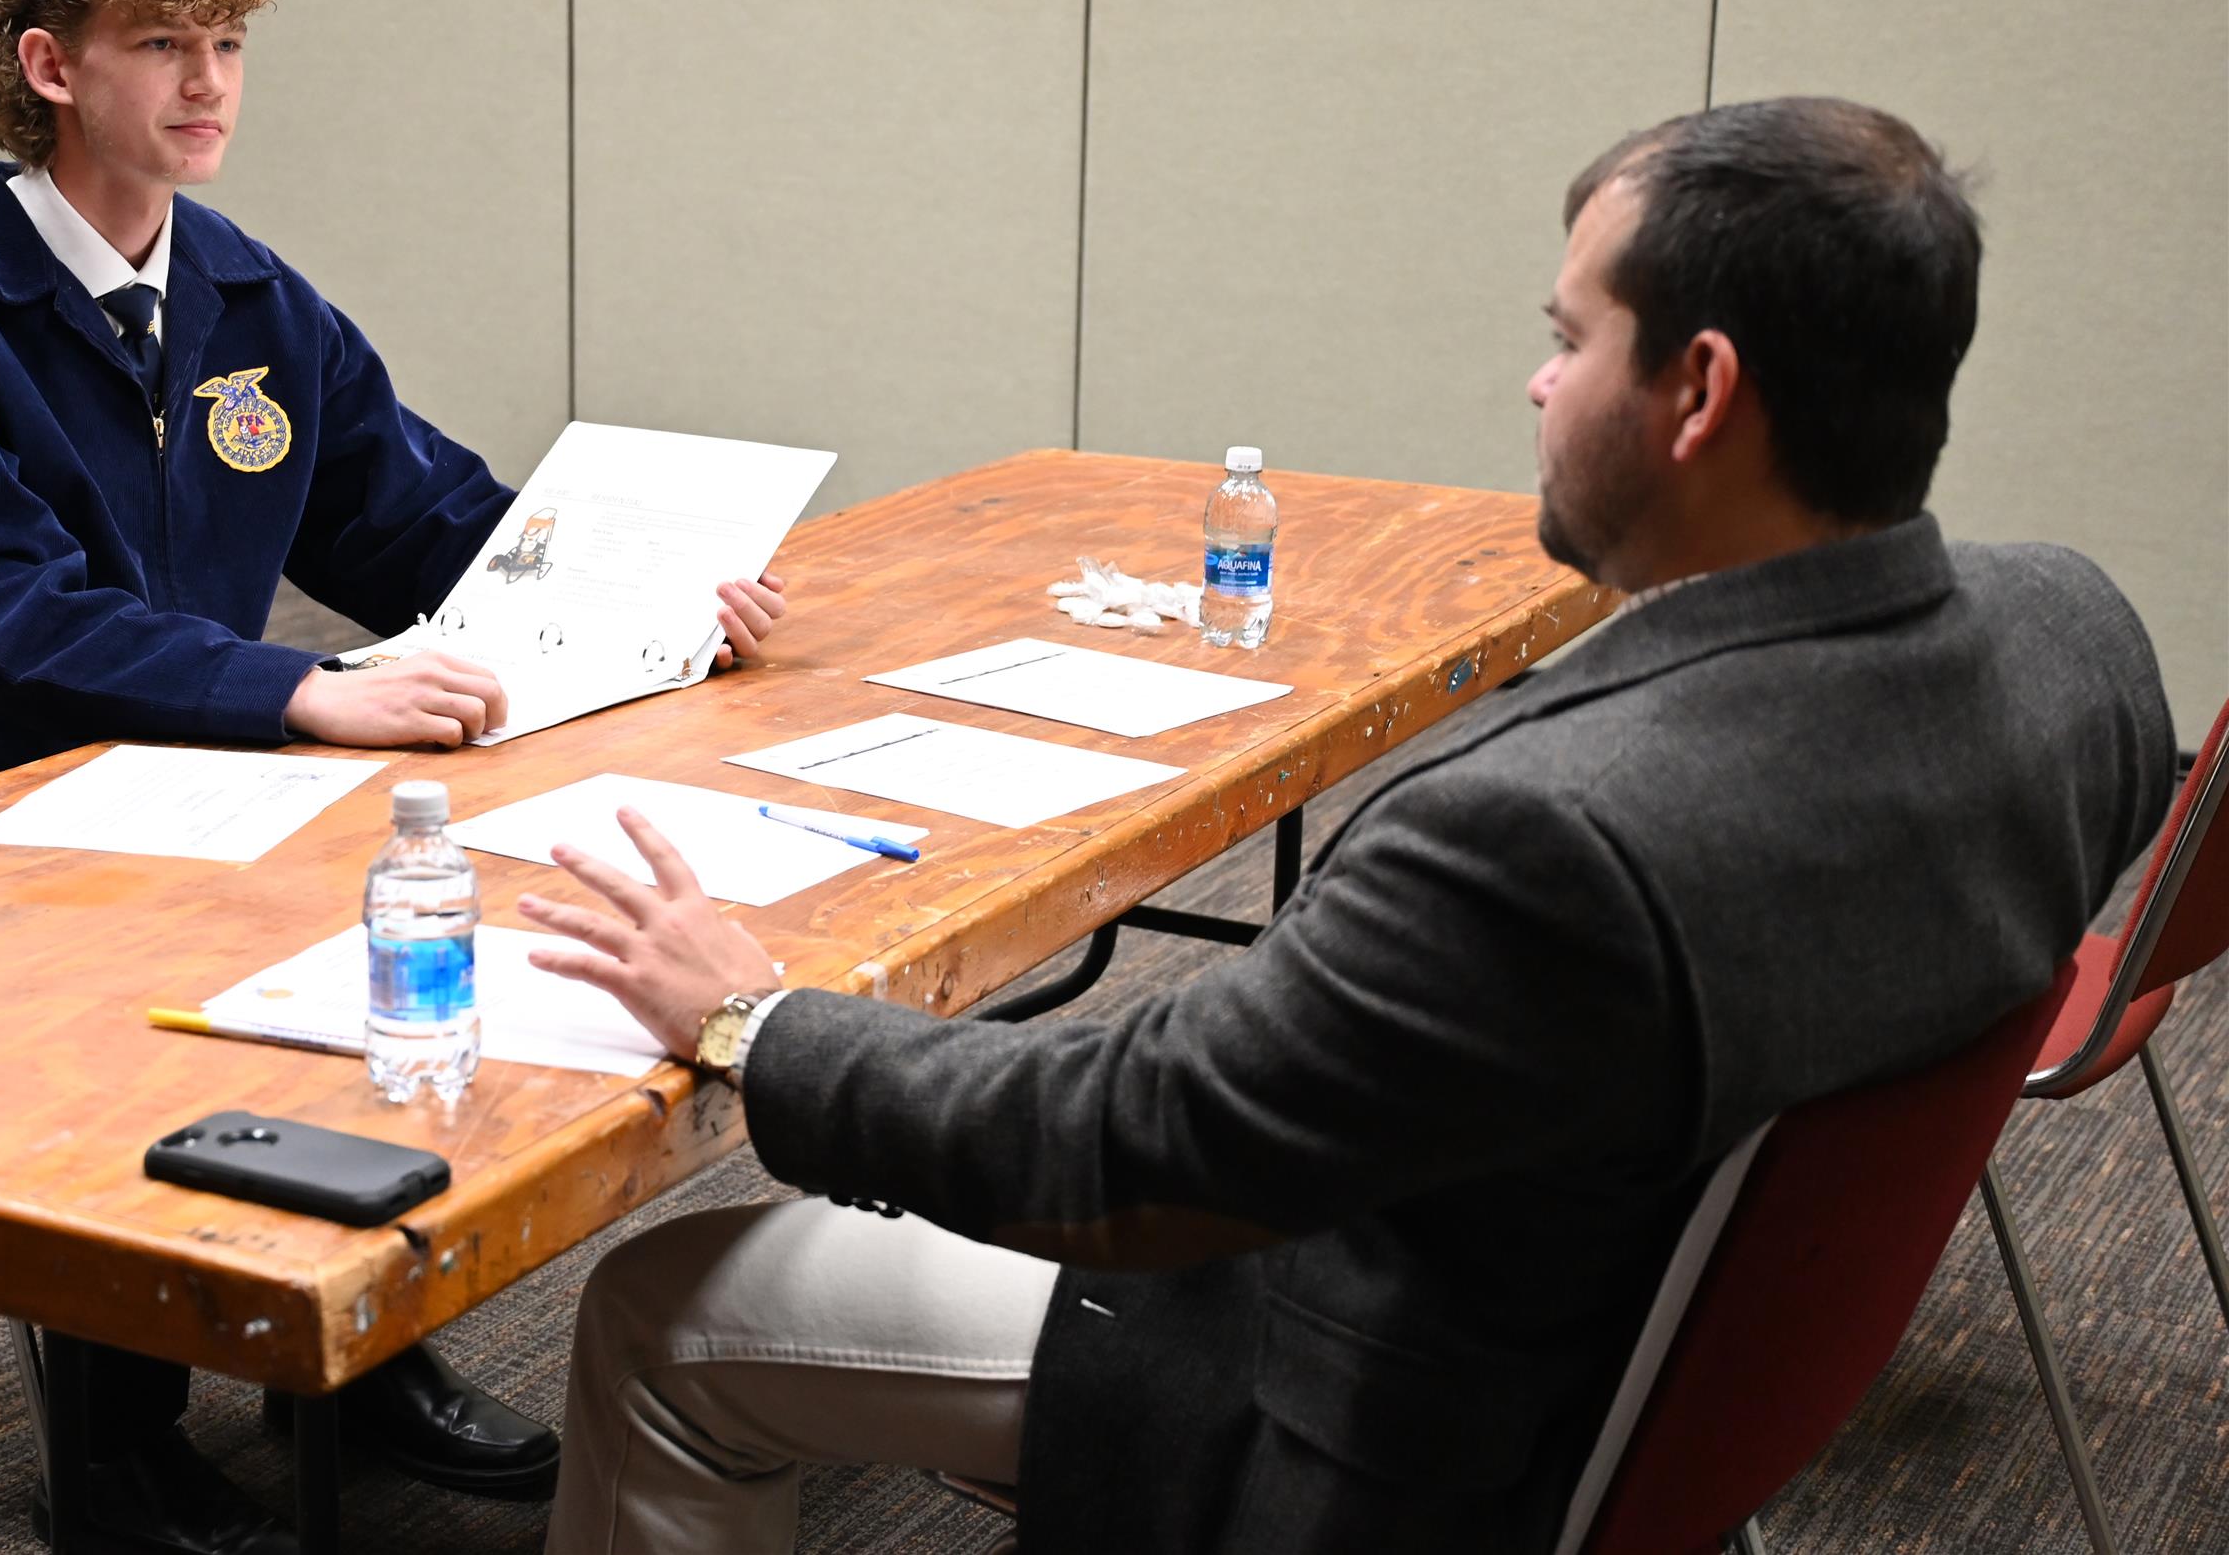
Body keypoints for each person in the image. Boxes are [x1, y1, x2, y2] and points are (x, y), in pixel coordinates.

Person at [513, 98, 2179, 1554]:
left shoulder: (1546, 847)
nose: (1537, 382)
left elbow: (1120, 1153)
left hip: (1390, 1416)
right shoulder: (2075, 639)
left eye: (1571, 338)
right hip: (1655, 1370)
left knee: (660, 1313)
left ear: (1698, 392)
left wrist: (754, 1018)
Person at [0, 0, 786, 1555]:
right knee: (169, 957)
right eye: (160, 46)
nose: (208, 84)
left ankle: (352, 1351)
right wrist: (298, 687)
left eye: (230, 45)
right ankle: (113, 1452)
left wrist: (652, 591)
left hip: (192, 759)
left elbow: (418, 519)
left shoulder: (247, 296)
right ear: (50, 68)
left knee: (400, 900)